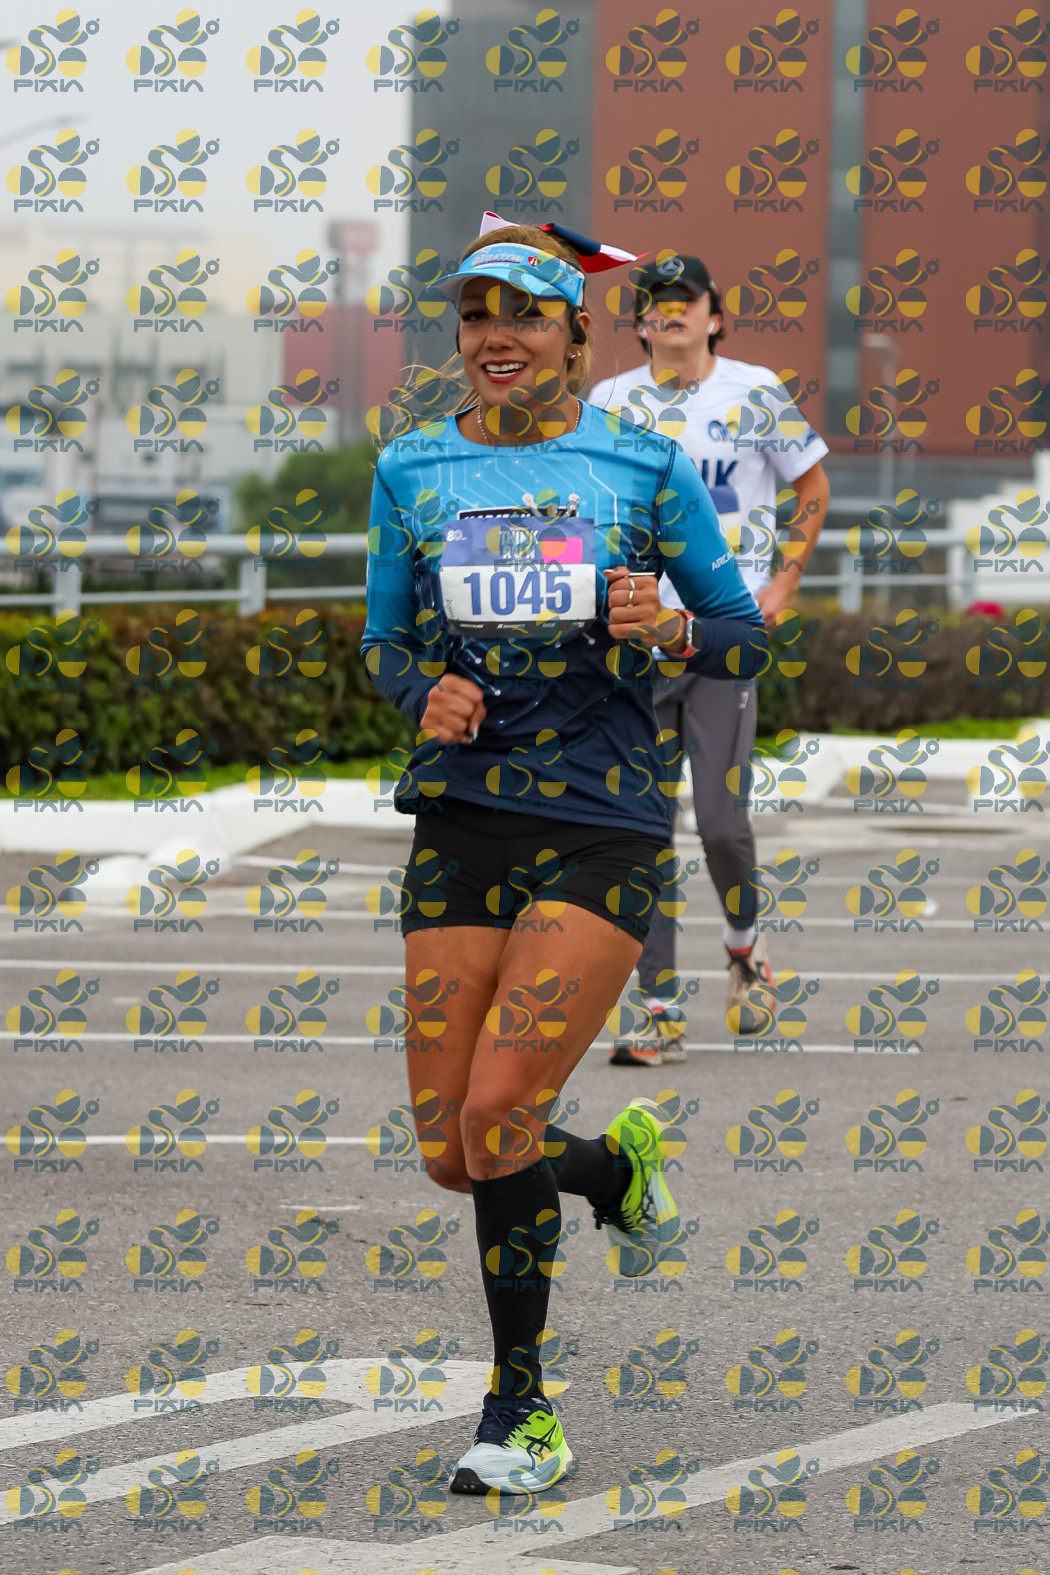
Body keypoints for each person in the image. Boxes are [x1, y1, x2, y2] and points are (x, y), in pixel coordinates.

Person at [360, 219, 767, 1496]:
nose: (497, 336)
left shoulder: (640, 464)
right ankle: (611, 1169)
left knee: (497, 1115)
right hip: (462, 818)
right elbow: (382, 643)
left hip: (602, 820)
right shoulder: (411, 466)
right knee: (452, 1147)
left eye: (525, 315)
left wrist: (672, 626)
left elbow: (745, 637)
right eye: (477, 314)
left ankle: (520, 1412)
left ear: (575, 336)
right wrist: (419, 689)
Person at [589, 253, 830, 1067]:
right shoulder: (610, 402)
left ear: (713, 317)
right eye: (654, 302)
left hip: (723, 637)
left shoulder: (756, 391)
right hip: (638, 642)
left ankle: (743, 947)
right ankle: (657, 1006)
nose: (669, 312)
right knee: (644, 828)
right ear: (639, 322)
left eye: (684, 300)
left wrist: (784, 582)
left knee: (722, 824)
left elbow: (813, 490)